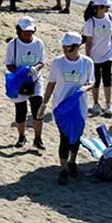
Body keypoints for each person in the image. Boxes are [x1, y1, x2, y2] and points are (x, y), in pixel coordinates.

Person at [39, 32, 95, 185]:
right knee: (64, 137)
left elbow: (92, 82)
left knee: (75, 137)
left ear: (77, 46)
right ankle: (63, 169)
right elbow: (51, 82)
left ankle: (72, 161)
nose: (64, 48)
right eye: (63, 45)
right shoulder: (58, 62)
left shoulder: (87, 62)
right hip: (61, 106)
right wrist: (44, 103)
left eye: (68, 46)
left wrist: (85, 88)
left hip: (79, 107)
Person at [4, 16, 46, 149]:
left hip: (36, 80)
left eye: (30, 32)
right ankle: (21, 137)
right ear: (19, 31)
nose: (28, 35)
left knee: (37, 110)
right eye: (25, 32)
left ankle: (38, 138)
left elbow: (41, 62)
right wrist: (21, 73)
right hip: (19, 81)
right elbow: (9, 64)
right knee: (21, 110)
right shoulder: (13, 44)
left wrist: (34, 69)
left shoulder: (39, 43)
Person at [82, 0, 112, 117]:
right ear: (98, 7)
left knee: (107, 79)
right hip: (94, 56)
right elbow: (88, 41)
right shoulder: (90, 22)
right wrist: (88, 57)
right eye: (105, 6)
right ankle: (96, 103)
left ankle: (108, 104)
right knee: (96, 81)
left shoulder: (110, 18)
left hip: (107, 54)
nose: (107, 9)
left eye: (108, 6)